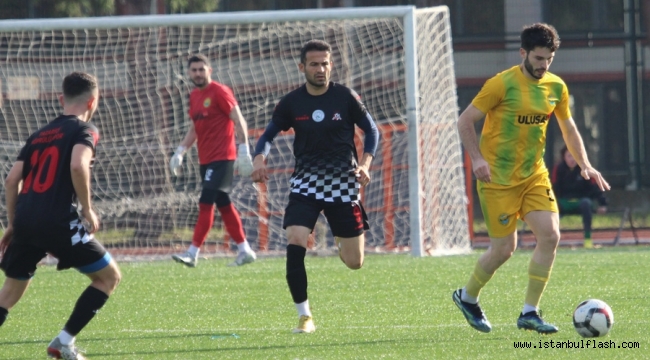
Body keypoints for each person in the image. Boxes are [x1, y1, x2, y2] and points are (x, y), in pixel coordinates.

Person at [453, 23, 610, 335]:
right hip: (497, 179)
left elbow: (568, 128)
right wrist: (478, 159)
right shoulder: (501, 84)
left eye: (548, 59)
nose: (543, 65)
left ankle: (530, 312)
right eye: (538, 58)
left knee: (551, 235)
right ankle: (467, 297)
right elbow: (465, 120)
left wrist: (585, 164)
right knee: (503, 249)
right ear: (523, 53)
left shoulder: (556, 88)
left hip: (533, 176)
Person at [251, 39, 379, 333]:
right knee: (296, 239)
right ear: (302, 67)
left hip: (343, 184)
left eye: (325, 63)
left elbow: (371, 130)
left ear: (330, 65)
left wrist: (365, 165)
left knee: (355, 262)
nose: (321, 69)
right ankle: (305, 316)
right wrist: (259, 159)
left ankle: (340, 240)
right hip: (306, 184)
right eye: (314, 64)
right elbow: (268, 135)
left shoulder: (345, 97)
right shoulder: (292, 102)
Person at [0, 72, 122, 360]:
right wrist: (87, 208)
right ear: (93, 101)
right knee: (108, 278)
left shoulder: (39, 134)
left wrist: (13, 223)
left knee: (10, 290)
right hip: (57, 221)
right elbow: (79, 166)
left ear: (60, 99)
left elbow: (11, 180)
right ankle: (64, 342)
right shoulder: (85, 129)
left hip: (26, 220)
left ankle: (63, 343)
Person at [170, 54, 257, 268]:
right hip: (205, 160)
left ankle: (192, 252)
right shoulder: (194, 96)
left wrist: (244, 148)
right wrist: (180, 151)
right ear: (189, 73)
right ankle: (245, 250)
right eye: (194, 70)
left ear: (210, 70)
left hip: (223, 158)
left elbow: (238, 119)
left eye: (201, 69)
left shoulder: (220, 92)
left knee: (205, 201)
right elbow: (194, 128)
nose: (198, 73)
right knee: (224, 204)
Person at [552, 146, 608, 249]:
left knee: (586, 203)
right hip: (564, 202)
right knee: (553, 208)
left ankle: (587, 239)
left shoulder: (585, 169)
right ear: (564, 157)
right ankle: (552, 241)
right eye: (569, 156)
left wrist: (602, 204)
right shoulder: (558, 169)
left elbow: (594, 187)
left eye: (574, 156)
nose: (572, 159)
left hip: (582, 201)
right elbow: (553, 188)